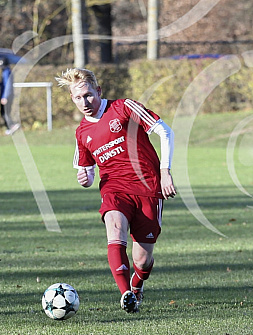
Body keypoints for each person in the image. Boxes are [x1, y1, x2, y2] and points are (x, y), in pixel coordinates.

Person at [55, 68, 176, 313]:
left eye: (88, 95)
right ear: (72, 99)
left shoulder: (124, 108)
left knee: (142, 259)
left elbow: (165, 131)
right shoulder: (82, 133)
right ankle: (125, 295)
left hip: (148, 187)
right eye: (78, 98)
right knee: (115, 227)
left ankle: (137, 284)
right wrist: (84, 178)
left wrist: (165, 172)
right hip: (114, 189)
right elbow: (86, 171)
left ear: (98, 91)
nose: (84, 102)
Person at [0, 57, 20, 135]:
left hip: (6, 96)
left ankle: (11, 126)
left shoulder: (7, 72)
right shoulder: (5, 72)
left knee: (5, 112)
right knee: (4, 112)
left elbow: (8, 85)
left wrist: (5, 97)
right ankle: (10, 127)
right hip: (6, 95)